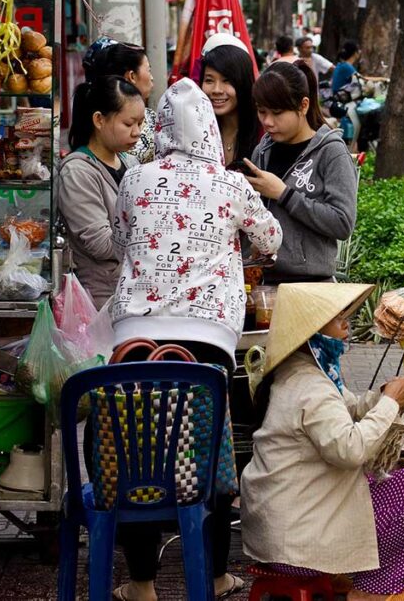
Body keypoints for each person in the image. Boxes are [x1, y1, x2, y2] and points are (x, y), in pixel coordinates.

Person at [108, 78, 282, 601]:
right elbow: (271, 239)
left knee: (137, 457)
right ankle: (214, 575)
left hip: (131, 342)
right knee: (210, 461)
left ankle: (140, 584)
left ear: (159, 127)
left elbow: (120, 241)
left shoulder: (135, 179)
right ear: (209, 129)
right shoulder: (230, 185)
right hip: (206, 343)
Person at [242, 282, 404, 601]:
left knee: (376, 481)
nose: (346, 325)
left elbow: (347, 410)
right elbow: (351, 450)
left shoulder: (299, 372)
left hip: (282, 530)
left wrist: (383, 396)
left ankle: (354, 575)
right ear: (312, 332)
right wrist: (390, 404)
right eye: (337, 318)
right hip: (297, 543)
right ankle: (370, 591)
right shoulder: (311, 387)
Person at [241, 60, 358, 283]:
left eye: (277, 113)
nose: (267, 122)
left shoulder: (331, 152)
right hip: (261, 282)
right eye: (261, 111)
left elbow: (342, 223)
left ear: (303, 106)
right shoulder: (263, 150)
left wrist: (284, 194)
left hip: (311, 286)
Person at [58, 75, 144, 307]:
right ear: (99, 120)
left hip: (132, 292)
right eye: (128, 124)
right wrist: (151, 237)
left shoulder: (131, 163)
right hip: (99, 300)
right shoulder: (77, 172)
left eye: (140, 123)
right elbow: (100, 244)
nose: (136, 132)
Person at [83, 37, 158, 163]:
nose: (136, 133)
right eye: (148, 70)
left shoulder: (151, 116)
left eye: (139, 123)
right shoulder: (111, 141)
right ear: (131, 76)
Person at [201, 33, 261, 166]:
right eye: (209, 80)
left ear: (243, 83)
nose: (217, 90)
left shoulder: (264, 132)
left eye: (227, 81)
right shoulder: (196, 130)